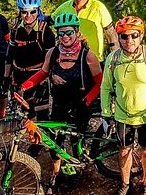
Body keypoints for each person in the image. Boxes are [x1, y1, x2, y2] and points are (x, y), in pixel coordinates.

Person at [20, 12, 103, 192]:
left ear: (76, 32)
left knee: (75, 140)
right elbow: (42, 73)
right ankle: (57, 171)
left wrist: (86, 101)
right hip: (59, 102)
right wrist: (24, 86)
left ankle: (76, 169)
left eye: (69, 33)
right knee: (54, 140)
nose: (65, 37)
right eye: (61, 33)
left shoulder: (88, 56)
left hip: (81, 103)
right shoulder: (53, 52)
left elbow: (99, 83)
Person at [101, 16, 146, 195]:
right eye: (124, 36)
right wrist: (106, 114)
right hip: (123, 115)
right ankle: (125, 183)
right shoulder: (113, 59)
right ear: (119, 37)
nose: (129, 40)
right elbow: (106, 87)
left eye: (134, 35)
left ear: (141, 36)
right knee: (124, 151)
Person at [4, 0, 55, 120]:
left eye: (32, 11)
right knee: (25, 116)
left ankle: (44, 139)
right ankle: (32, 139)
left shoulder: (46, 32)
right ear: (20, 12)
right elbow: (10, 55)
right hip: (19, 76)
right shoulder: (15, 30)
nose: (28, 15)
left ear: (38, 11)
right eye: (24, 12)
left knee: (42, 115)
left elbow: (51, 60)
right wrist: (6, 78)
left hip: (38, 78)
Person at [52, 0, 119, 64]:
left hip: (94, 60)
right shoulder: (64, 7)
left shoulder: (98, 7)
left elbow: (111, 34)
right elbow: (48, 21)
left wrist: (116, 58)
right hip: (70, 60)